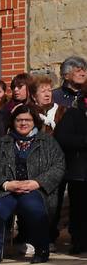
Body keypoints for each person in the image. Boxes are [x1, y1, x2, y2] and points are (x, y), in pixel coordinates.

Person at [0, 104, 66, 264]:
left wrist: (37, 182)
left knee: (34, 208)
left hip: (36, 190)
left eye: (27, 120)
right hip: (7, 191)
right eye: (19, 120)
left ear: (34, 121)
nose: (23, 123)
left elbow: (59, 166)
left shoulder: (47, 142)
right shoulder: (2, 143)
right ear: (13, 122)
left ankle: (41, 250)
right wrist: (6, 184)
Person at [55, 95, 87, 255]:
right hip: (79, 171)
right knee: (79, 209)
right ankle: (79, 241)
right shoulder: (73, 114)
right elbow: (62, 138)